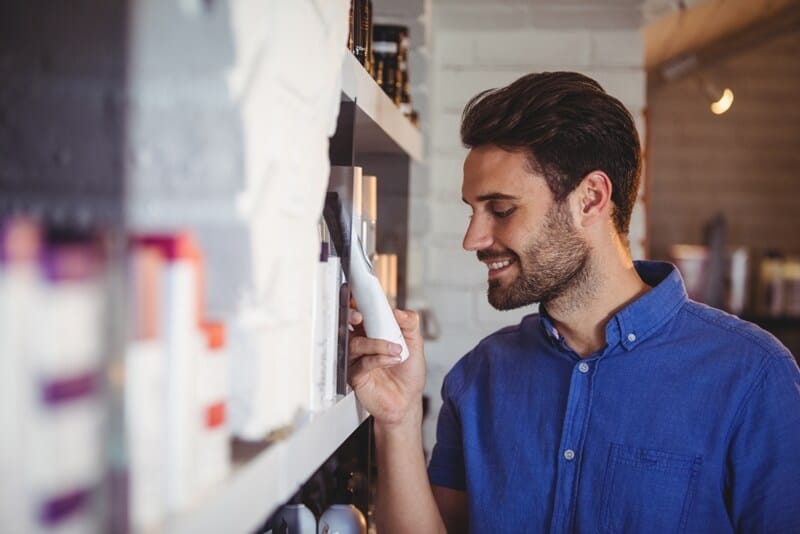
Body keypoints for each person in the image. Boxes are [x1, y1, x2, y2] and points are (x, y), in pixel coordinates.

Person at [346, 72, 800, 533]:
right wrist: (398, 422)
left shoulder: (752, 376)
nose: (473, 239)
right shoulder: (480, 375)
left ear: (591, 199)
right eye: (472, 210)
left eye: (501, 210)